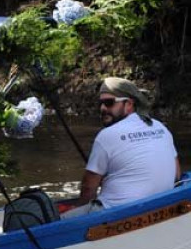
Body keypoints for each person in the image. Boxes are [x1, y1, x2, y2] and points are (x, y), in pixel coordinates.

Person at [66, 77, 180, 216]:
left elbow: (89, 188)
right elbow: (177, 174)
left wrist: (79, 209)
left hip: (115, 214)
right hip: (157, 207)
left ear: (129, 104)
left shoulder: (106, 136)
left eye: (109, 103)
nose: (102, 108)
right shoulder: (160, 127)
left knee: (56, 219)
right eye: (101, 103)